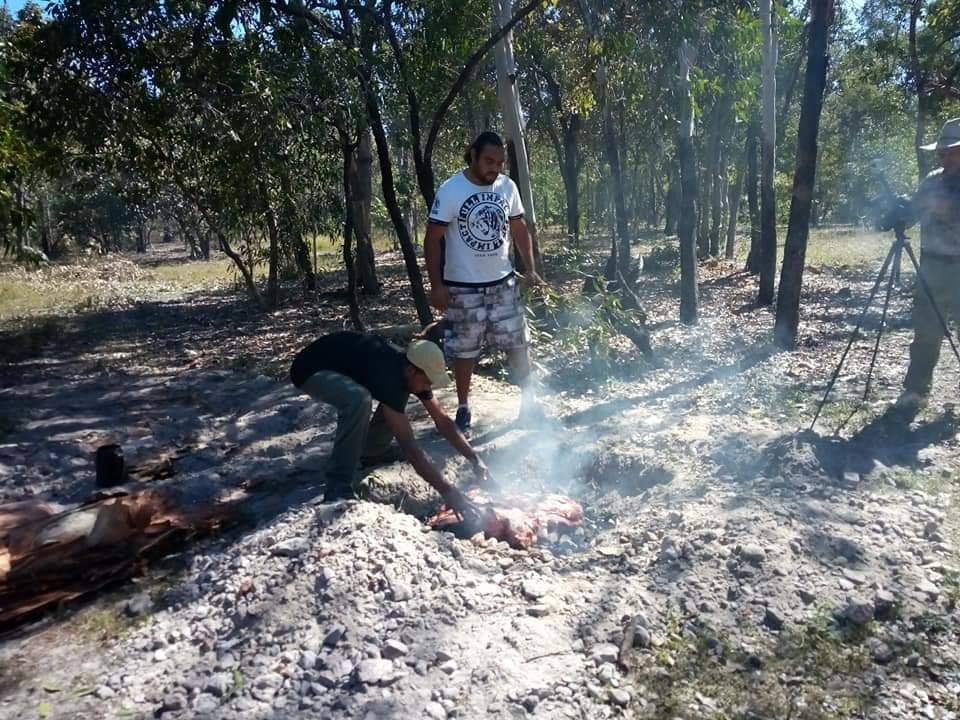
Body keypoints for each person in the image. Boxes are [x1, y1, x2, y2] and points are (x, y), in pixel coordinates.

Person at [425, 131, 545, 436]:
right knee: (464, 351)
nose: (495, 168)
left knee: (518, 344)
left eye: (500, 163)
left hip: (503, 283)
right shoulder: (452, 190)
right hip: (462, 287)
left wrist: (530, 269)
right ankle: (463, 408)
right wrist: (436, 285)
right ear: (473, 155)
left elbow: (519, 229)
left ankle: (529, 404)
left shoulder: (507, 187)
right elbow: (433, 239)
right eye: (489, 161)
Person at [290, 330, 487, 511]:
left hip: (344, 366)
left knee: (394, 402)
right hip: (310, 369)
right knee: (358, 400)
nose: (428, 386)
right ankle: (338, 485)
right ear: (412, 371)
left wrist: (474, 458)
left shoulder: (412, 370)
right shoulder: (390, 376)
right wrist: (447, 491)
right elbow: (410, 447)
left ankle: (371, 452)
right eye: (427, 381)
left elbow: (442, 420)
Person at [896, 118, 960, 408]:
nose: (945, 157)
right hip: (932, 267)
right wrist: (899, 212)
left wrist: (945, 207)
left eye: (951, 152)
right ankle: (916, 391)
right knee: (925, 332)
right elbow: (914, 211)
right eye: (942, 152)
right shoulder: (932, 180)